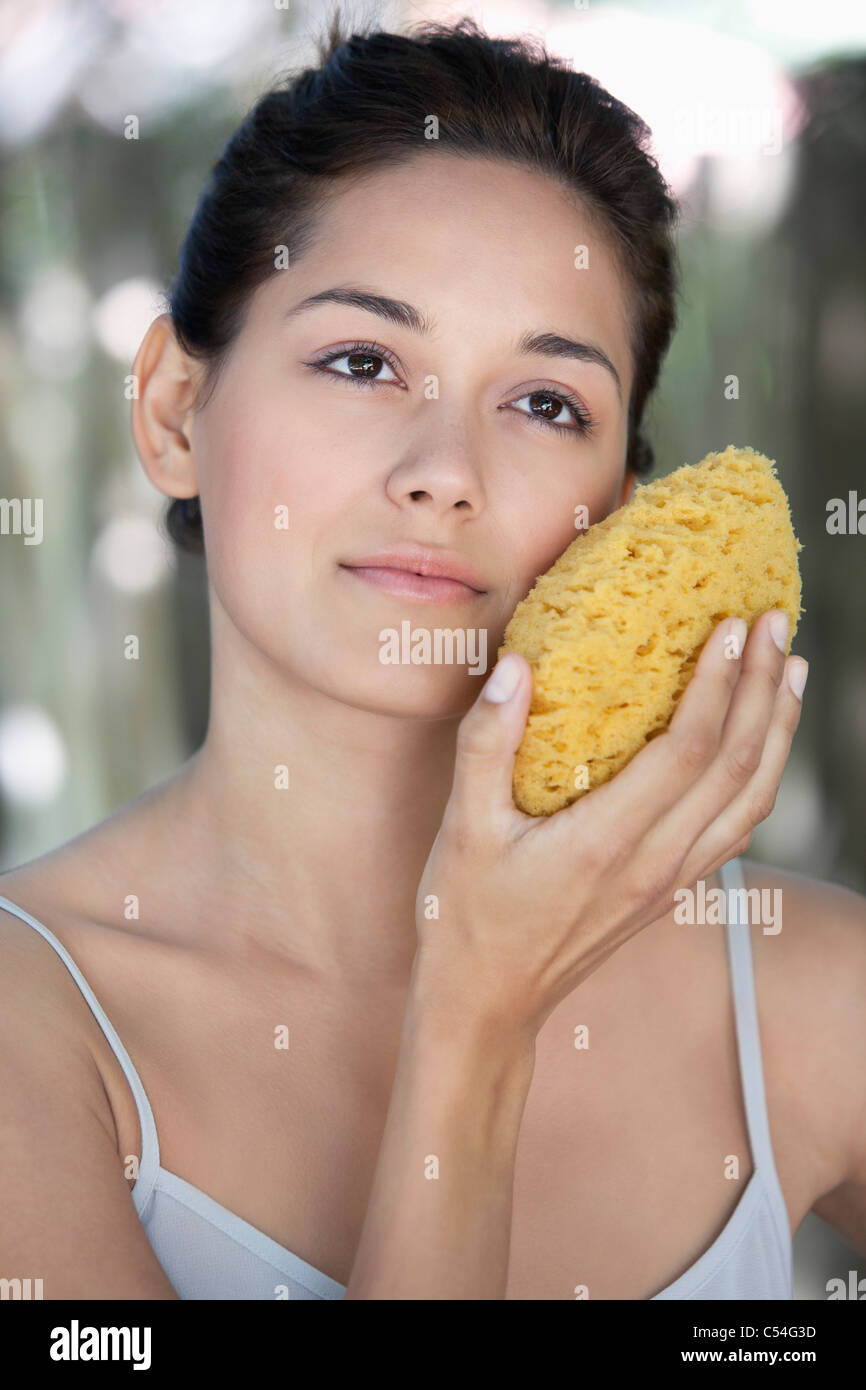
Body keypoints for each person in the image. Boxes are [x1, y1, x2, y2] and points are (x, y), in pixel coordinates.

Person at [1, 14, 864, 1302]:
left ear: (620, 509)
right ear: (179, 410)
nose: (445, 476)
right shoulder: (33, 1034)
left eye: (545, 403)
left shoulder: (810, 995)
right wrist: (475, 1023)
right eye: (362, 360)